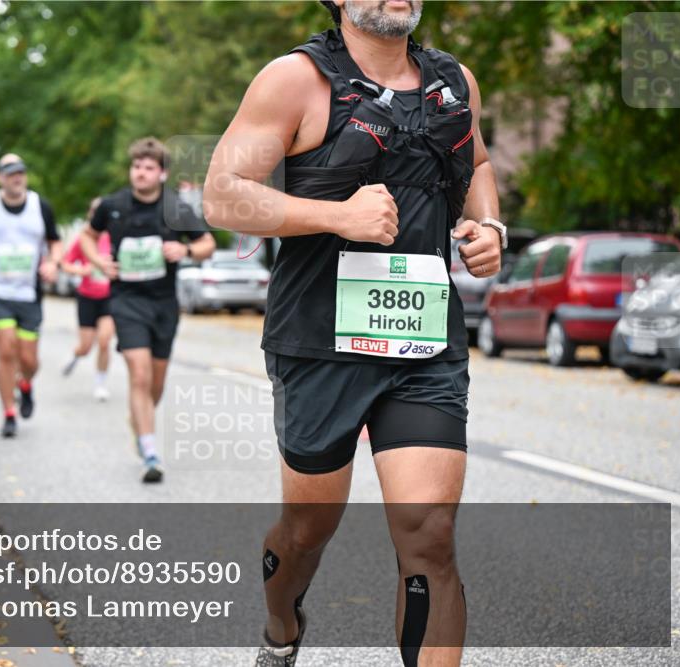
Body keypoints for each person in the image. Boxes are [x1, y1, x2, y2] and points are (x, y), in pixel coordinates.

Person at [203, 1, 507, 665]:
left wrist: (489, 225)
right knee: (307, 531)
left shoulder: (454, 82)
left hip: (422, 342)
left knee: (429, 534)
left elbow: (479, 162)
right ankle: (281, 623)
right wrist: (336, 216)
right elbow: (222, 193)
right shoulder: (295, 80)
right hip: (317, 342)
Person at [81, 137, 216, 483]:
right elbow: (86, 237)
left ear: (162, 173)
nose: (140, 173)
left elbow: (207, 244)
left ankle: (139, 422)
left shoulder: (176, 208)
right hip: (126, 301)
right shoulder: (112, 205)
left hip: (163, 304)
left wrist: (185, 252)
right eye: (136, 166)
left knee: (156, 382)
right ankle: (150, 451)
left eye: (148, 168)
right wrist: (99, 262)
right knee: (138, 374)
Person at [0, 153, 62, 438]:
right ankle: (9, 413)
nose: (17, 178)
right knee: (5, 350)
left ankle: (25, 384)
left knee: (29, 361)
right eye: (10, 173)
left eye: (20, 172)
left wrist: (53, 263)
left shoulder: (41, 206)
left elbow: (55, 242)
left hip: (29, 294)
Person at [60, 197, 114, 402]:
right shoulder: (83, 238)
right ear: (90, 214)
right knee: (86, 346)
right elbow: (65, 264)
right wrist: (82, 270)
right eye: (95, 211)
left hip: (110, 297)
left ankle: (100, 384)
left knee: (104, 341)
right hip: (87, 297)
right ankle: (76, 354)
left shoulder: (115, 236)